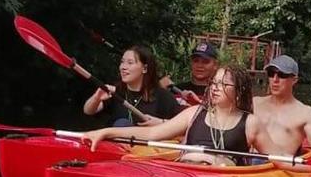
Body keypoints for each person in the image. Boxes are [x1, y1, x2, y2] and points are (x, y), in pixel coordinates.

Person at [88, 64, 279, 166]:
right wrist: (107, 132)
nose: (215, 88)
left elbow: (281, 158)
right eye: (214, 83)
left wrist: (308, 170)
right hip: (186, 168)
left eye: (223, 84)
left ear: (238, 92)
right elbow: (153, 134)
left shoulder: (251, 123)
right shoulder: (193, 113)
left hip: (221, 176)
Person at [252, 55, 311, 162]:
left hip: (277, 168)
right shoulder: (254, 102)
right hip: (247, 162)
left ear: (294, 80)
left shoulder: (305, 113)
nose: (275, 80)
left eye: (282, 75)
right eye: (271, 74)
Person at [83, 45, 182, 127]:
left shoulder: (162, 96)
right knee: (121, 124)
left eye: (130, 63)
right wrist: (97, 98)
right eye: (122, 62)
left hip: (144, 148)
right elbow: (88, 111)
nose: (123, 67)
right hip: (116, 146)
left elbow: (185, 124)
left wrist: (161, 123)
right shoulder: (116, 91)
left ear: (145, 68)